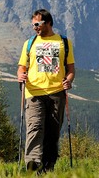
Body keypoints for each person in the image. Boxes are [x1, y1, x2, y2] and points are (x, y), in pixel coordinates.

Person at [17, 9, 75, 173]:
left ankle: (48, 168)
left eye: (37, 24)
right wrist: (20, 76)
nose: (34, 27)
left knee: (52, 132)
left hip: (57, 92)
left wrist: (68, 81)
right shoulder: (29, 43)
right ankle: (32, 166)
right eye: (33, 24)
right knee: (34, 128)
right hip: (34, 92)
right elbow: (21, 67)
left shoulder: (64, 42)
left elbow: (70, 69)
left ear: (48, 22)